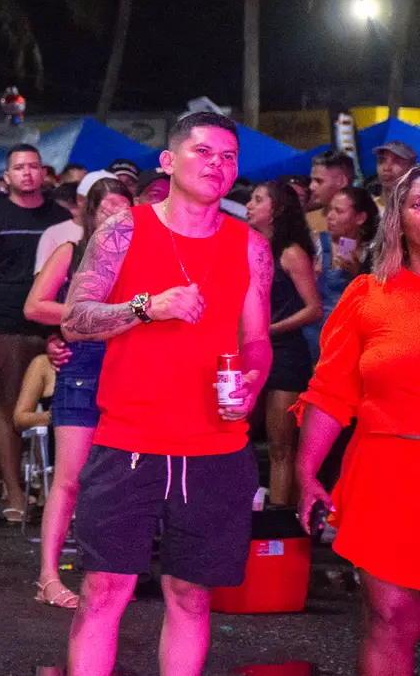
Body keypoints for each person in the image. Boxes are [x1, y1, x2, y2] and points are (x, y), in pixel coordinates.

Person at [60, 112, 273, 676]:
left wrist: (252, 382)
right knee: (105, 589)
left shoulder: (250, 245)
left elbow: (256, 340)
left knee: (191, 594)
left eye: (228, 157)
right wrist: (146, 307)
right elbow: (74, 321)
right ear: (168, 161)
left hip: (217, 446)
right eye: (203, 152)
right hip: (128, 438)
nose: (217, 165)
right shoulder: (124, 230)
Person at [296, 164, 420, 676]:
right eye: (419, 204)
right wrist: (306, 472)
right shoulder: (368, 294)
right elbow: (331, 391)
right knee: (390, 618)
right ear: (398, 219)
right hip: (387, 472)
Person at [22, 176, 133, 609]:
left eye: (123, 209)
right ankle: (48, 576)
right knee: (69, 479)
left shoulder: (142, 256)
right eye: (107, 209)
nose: (115, 217)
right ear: (90, 213)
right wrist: (90, 316)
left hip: (130, 371)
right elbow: (34, 305)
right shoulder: (71, 252)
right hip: (83, 367)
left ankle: (108, 573)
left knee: (120, 478)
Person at [0, 144, 72, 522]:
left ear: (45, 173)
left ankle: (51, 490)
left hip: (55, 323)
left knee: (59, 406)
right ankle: (15, 492)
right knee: (9, 407)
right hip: (6, 322)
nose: (27, 173)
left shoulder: (60, 217)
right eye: (19, 168)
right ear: (7, 176)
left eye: (34, 166)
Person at [245, 181, 322, 506]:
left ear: (275, 210)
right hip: (250, 352)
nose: (248, 205)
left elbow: (314, 308)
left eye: (257, 199)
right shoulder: (250, 249)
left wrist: (270, 328)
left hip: (285, 355)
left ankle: (280, 520)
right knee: (236, 438)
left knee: (281, 447)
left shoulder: (291, 253)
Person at [306, 185, 377, 360]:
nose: (330, 216)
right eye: (330, 210)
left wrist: (356, 274)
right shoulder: (317, 245)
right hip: (314, 337)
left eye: (338, 211)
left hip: (349, 341)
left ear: (360, 218)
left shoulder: (372, 255)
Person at [34, 170, 116, 275]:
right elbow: (43, 282)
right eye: (98, 199)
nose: (107, 207)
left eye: (114, 202)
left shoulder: (127, 235)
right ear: (80, 200)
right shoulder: (55, 234)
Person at [306, 150, 357, 235]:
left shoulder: (374, 217)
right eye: (312, 180)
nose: (311, 187)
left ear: (341, 181)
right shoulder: (307, 222)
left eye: (318, 181)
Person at [373, 140, 416, 213]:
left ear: (412, 169)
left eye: (397, 161)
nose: (386, 168)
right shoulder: (368, 207)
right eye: (381, 161)